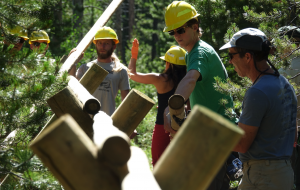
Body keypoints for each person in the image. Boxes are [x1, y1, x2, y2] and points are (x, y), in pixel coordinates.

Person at [162, 1, 235, 190]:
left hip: (216, 134)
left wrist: (172, 109)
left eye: (180, 30)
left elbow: (190, 80)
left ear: (195, 27)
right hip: (211, 132)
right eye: (173, 32)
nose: (176, 36)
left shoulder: (199, 52)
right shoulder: (192, 52)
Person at [219, 28, 297, 190]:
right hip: (284, 173)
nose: (230, 61)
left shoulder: (257, 91)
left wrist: (210, 135)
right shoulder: (285, 84)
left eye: (231, 55)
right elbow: (293, 137)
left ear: (247, 57)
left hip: (262, 177)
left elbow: (241, 144)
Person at [128, 38, 187, 166]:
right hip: (183, 127)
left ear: (169, 64)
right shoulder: (189, 81)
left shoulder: (161, 79)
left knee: (158, 164)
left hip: (162, 127)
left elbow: (131, 74)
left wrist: (134, 55)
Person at [69, 26, 130, 116]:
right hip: (84, 119)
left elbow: (125, 102)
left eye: (106, 43)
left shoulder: (120, 70)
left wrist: (130, 125)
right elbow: (72, 87)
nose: (102, 46)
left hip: (107, 121)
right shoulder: (85, 68)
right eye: (100, 43)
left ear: (114, 46)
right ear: (96, 44)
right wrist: (73, 62)